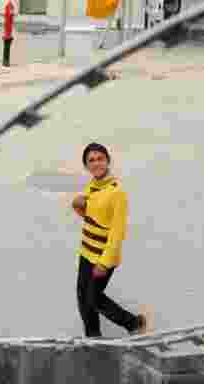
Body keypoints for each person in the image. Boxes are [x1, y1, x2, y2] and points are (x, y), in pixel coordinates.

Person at [71, 142, 147, 338]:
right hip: (87, 251)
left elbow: (117, 230)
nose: (96, 163)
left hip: (104, 255)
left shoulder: (116, 192)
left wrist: (105, 262)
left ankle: (134, 323)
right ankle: (92, 337)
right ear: (87, 166)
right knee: (83, 298)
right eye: (91, 160)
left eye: (100, 158)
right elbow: (95, 218)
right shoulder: (92, 186)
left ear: (107, 161)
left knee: (93, 298)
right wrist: (78, 206)